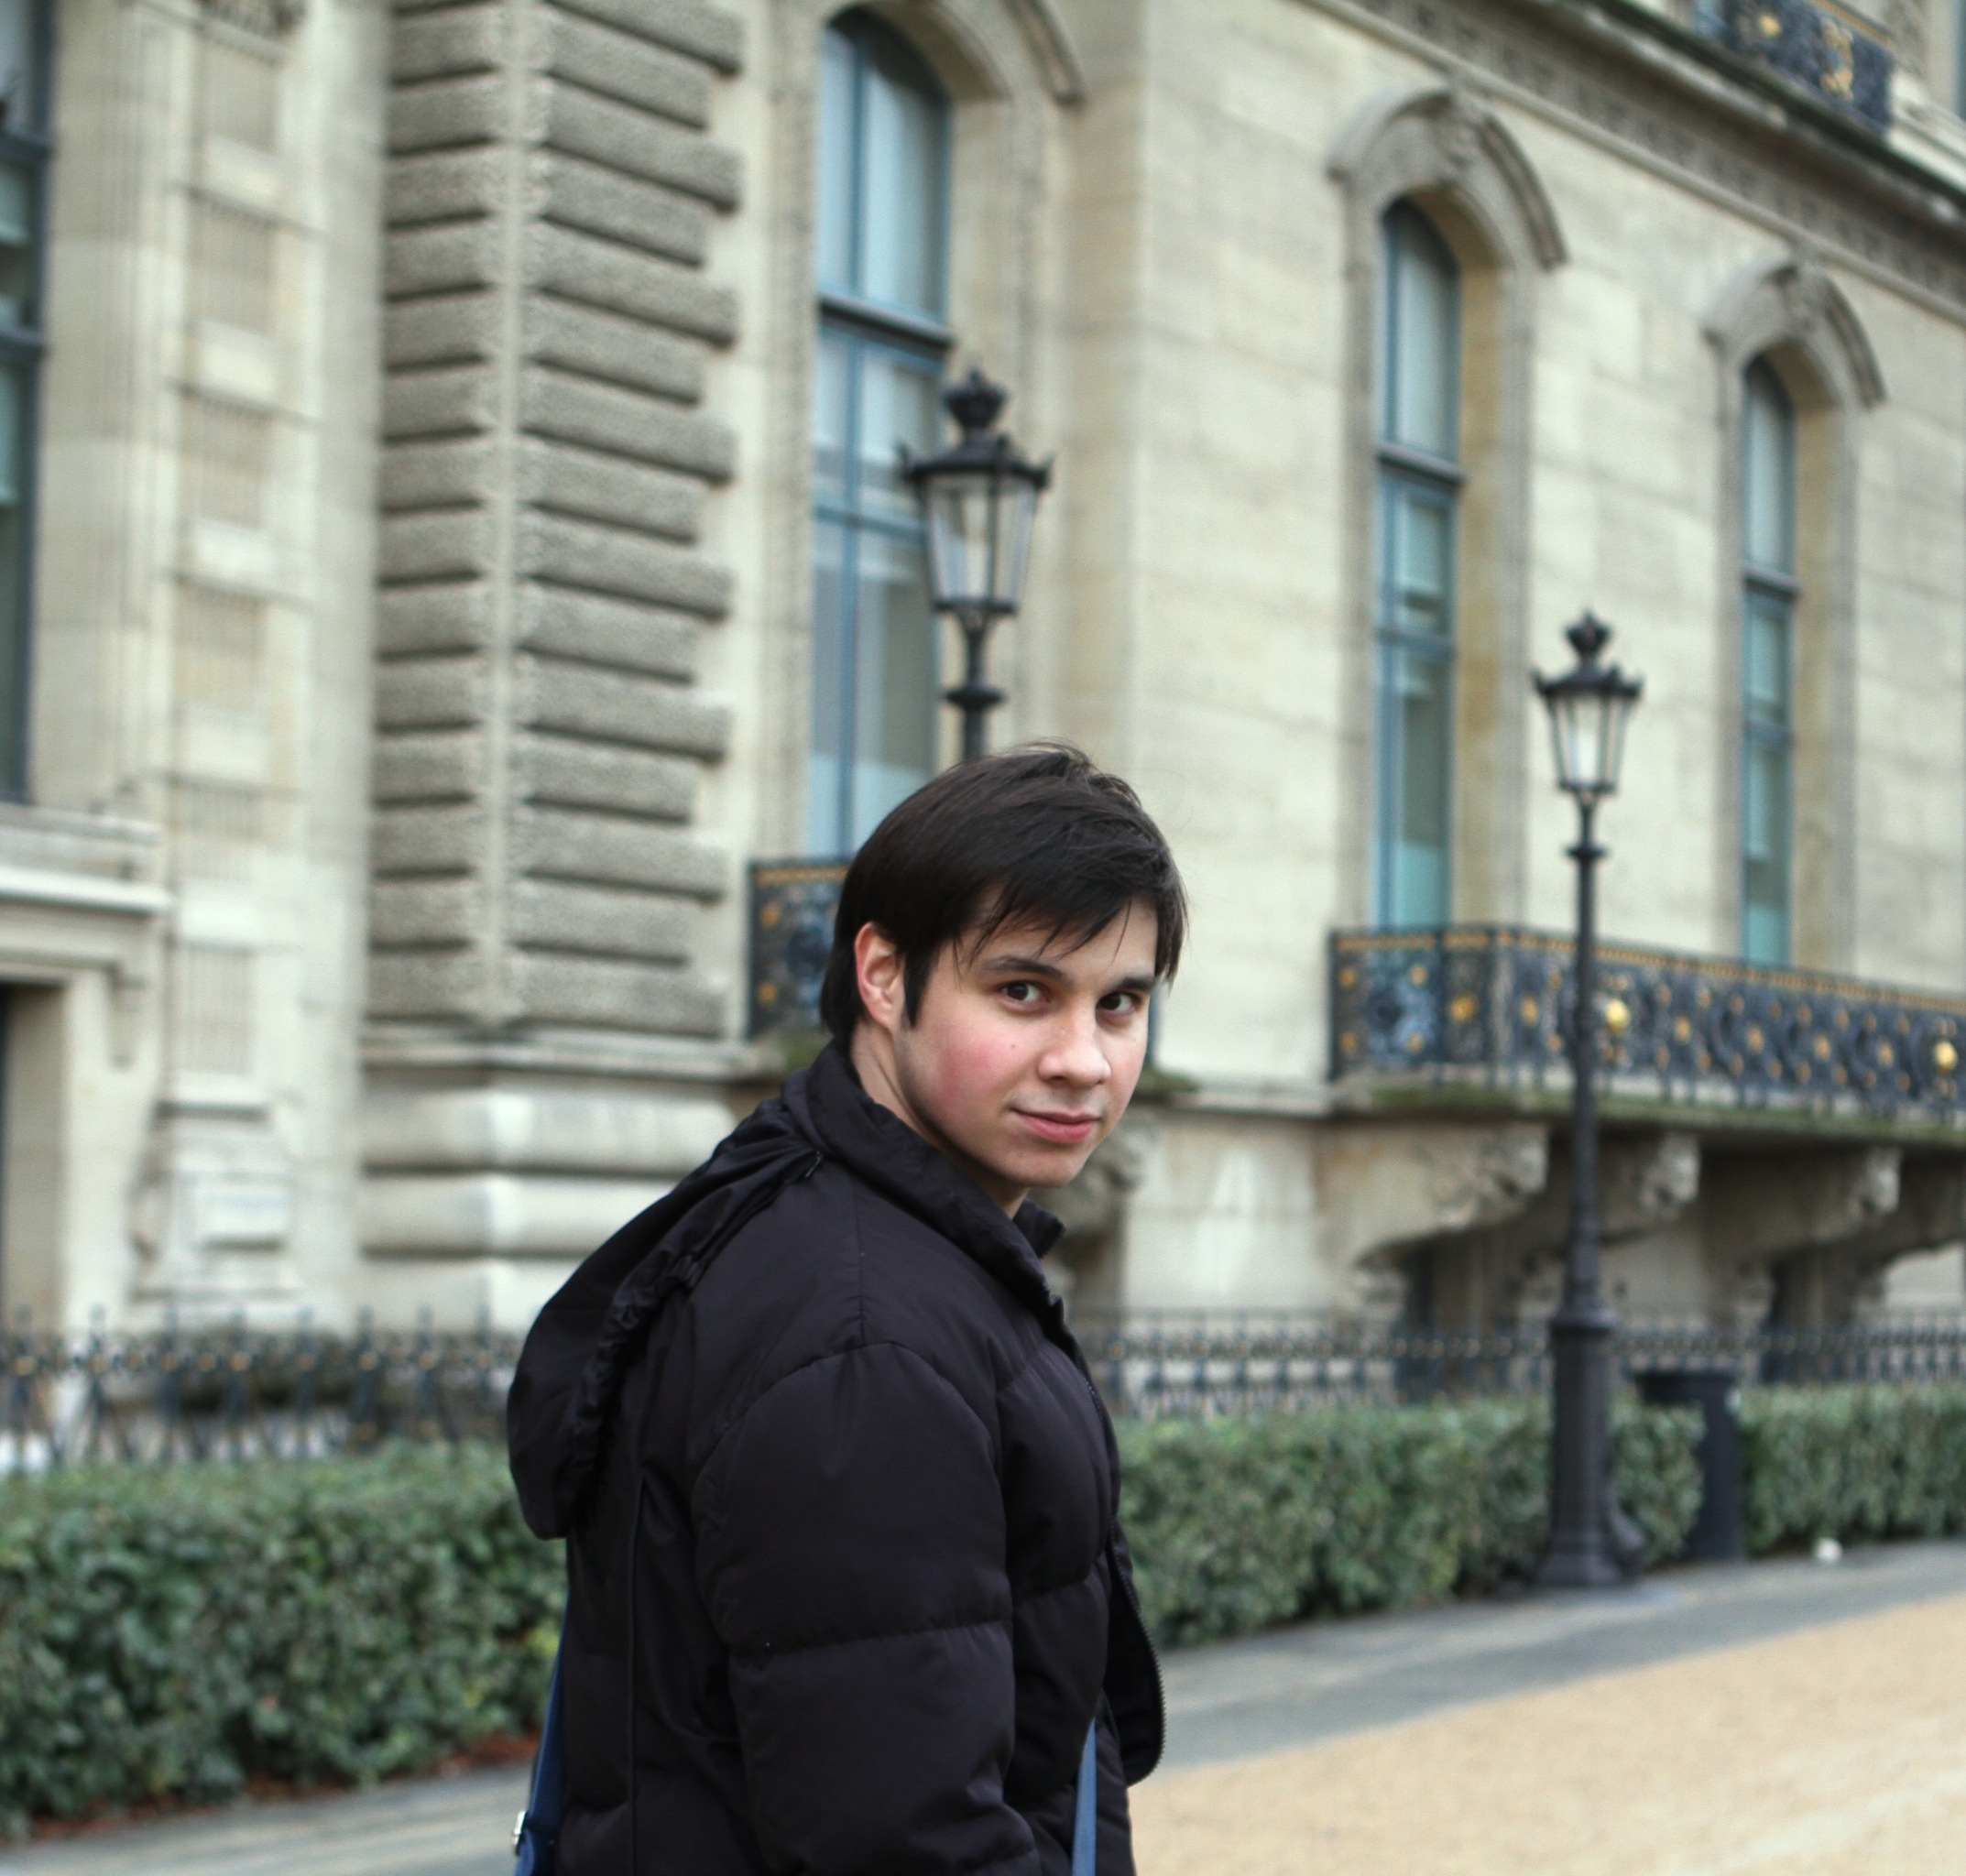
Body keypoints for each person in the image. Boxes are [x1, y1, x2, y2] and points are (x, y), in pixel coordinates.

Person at [508, 744, 1185, 1874]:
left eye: (1119, 1003)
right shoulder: (863, 1338)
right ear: (882, 974)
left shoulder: (843, 1229)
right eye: (1022, 991)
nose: (1083, 1059)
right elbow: (908, 1839)